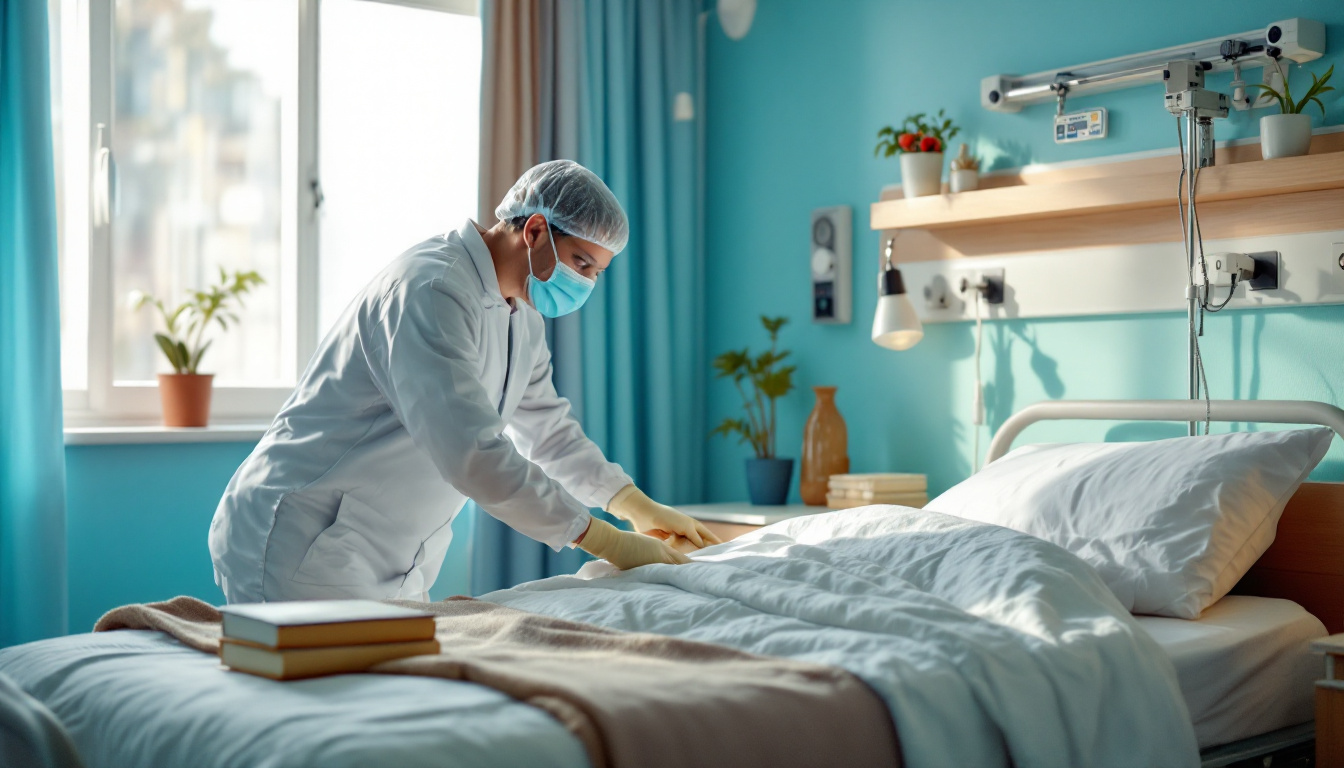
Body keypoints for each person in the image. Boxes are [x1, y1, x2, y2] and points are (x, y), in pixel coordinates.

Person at [208, 160, 719, 604]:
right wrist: (602, 539)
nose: (585, 282)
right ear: (536, 231)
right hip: (302, 538)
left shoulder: (521, 313)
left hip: (383, 551)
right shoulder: (431, 290)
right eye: (582, 262)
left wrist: (627, 500)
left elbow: (548, 432)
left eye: (597, 272)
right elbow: (472, 454)